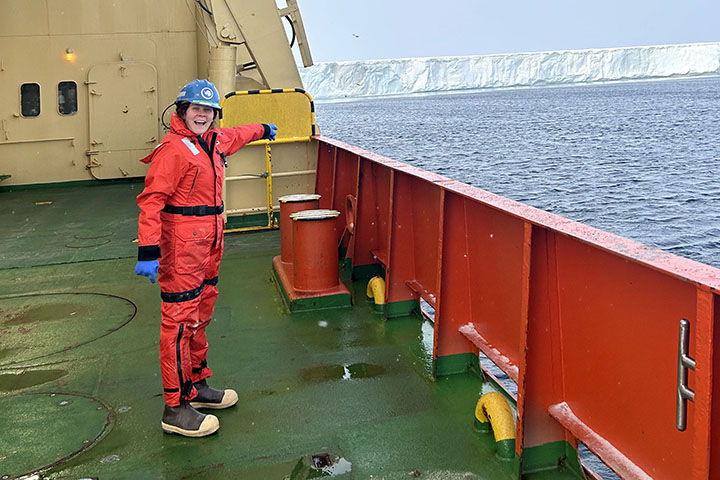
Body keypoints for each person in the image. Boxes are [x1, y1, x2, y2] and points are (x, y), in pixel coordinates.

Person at [134, 79, 277, 437]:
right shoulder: (174, 151)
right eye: (196, 108)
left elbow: (237, 135)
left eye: (209, 110)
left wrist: (262, 129)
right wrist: (148, 251)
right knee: (179, 324)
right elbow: (151, 202)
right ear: (182, 111)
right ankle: (174, 408)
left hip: (208, 247)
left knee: (200, 315)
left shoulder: (212, 141)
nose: (203, 115)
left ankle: (196, 387)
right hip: (182, 250)